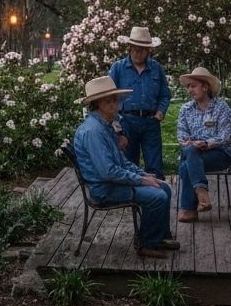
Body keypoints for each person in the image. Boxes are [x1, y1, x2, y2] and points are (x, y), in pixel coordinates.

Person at [72, 76, 180, 259]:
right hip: (105, 190)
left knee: (164, 187)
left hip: (112, 182)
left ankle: (158, 236)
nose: (115, 105)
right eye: (110, 101)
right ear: (98, 104)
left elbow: (120, 161)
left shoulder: (105, 126)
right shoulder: (93, 131)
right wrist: (141, 180)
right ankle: (146, 243)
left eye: (115, 100)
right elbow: (108, 171)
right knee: (157, 196)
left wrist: (143, 173)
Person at [176, 67, 231, 223]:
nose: (190, 90)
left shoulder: (221, 107)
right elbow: (181, 135)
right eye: (188, 86)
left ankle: (189, 209)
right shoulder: (186, 109)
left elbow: (225, 136)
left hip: (220, 152)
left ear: (205, 87)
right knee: (190, 151)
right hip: (194, 152)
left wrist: (206, 144)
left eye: (193, 85)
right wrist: (190, 142)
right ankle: (201, 194)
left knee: (186, 164)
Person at [108, 26, 171, 177]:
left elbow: (165, 94)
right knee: (129, 165)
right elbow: (109, 98)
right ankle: (134, 199)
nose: (137, 52)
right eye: (134, 49)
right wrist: (117, 128)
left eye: (141, 49)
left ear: (148, 50)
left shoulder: (156, 69)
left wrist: (161, 111)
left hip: (151, 121)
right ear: (129, 48)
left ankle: (158, 197)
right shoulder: (118, 68)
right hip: (126, 121)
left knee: (155, 166)